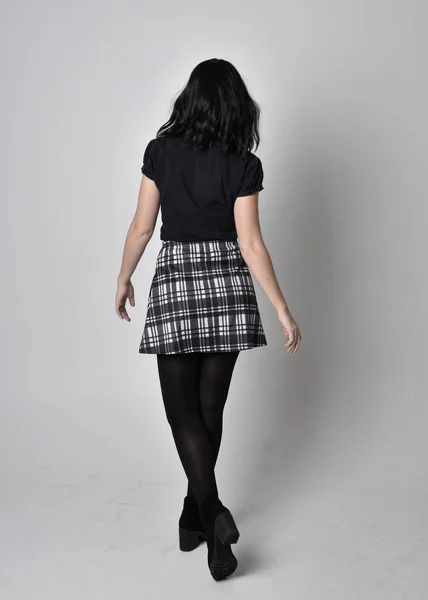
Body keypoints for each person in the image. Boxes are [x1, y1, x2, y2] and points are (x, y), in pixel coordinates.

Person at [115, 58, 302, 581]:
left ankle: (207, 511)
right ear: (235, 106)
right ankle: (197, 514)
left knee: (182, 414)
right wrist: (282, 308)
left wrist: (123, 277)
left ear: (190, 100)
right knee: (207, 409)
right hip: (227, 285)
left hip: (176, 281)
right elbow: (250, 242)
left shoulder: (160, 152)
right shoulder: (242, 160)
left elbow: (140, 227)